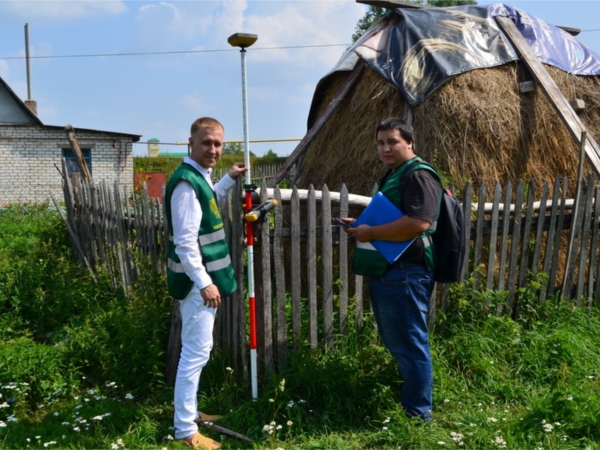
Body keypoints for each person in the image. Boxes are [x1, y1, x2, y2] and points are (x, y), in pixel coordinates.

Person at [344, 117, 442, 422]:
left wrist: (371, 234)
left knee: (411, 343)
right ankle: (413, 406)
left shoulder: (417, 175)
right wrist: (363, 225)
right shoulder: (397, 174)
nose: (385, 148)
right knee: (399, 341)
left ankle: (418, 414)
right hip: (393, 272)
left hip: (407, 273)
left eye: (392, 142)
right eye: (381, 143)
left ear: (409, 143)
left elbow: (418, 223)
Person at [164, 117, 247, 448]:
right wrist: (204, 283)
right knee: (196, 352)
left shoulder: (197, 180)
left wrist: (228, 179)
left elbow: (208, 200)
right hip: (196, 284)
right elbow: (185, 242)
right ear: (191, 143)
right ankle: (185, 429)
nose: (213, 149)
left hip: (198, 282)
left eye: (218, 144)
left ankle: (192, 413)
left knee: (198, 349)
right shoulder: (185, 184)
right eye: (206, 143)